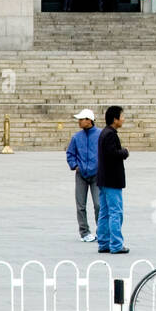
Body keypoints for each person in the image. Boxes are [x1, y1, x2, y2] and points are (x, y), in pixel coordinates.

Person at [96, 105, 130, 254]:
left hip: (104, 179)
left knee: (104, 212)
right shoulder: (110, 134)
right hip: (111, 180)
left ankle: (103, 242)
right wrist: (124, 152)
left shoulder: (104, 133)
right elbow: (112, 154)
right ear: (115, 119)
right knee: (116, 212)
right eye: (122, 116)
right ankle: (116, 244)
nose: (123, 119)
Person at [66, 108, 101, 243]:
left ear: (89, 120)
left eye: (81, 119)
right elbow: (70, 153)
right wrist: (74, 165)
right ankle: (84, 231)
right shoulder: (76, 137)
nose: (79, 122)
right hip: (81, 174)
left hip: (96, 175)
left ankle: (101, 231)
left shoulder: (100, 135)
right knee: (81, 205)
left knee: (98, 204)